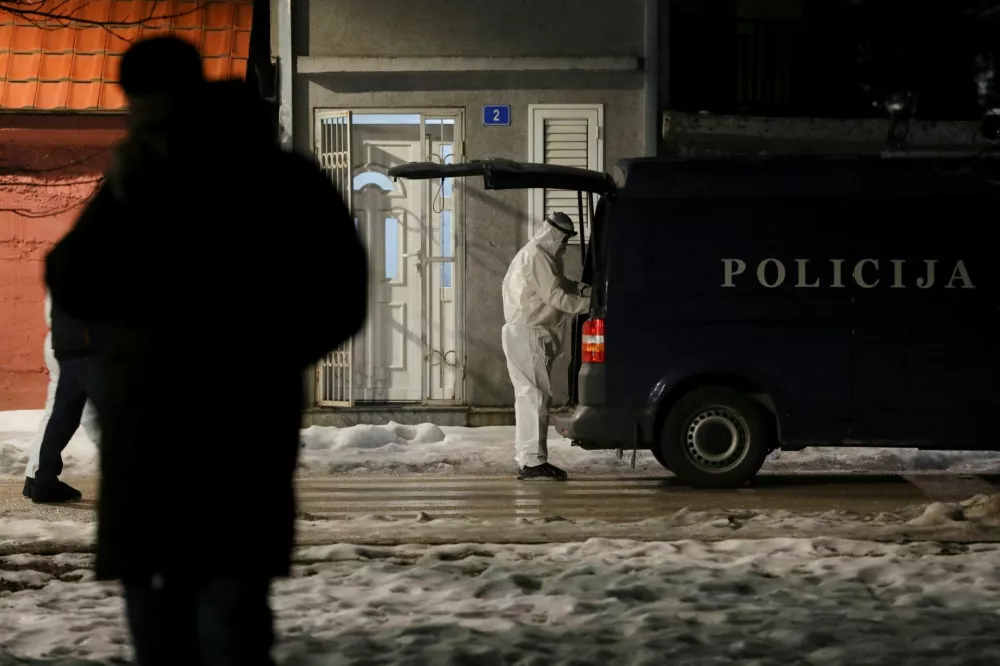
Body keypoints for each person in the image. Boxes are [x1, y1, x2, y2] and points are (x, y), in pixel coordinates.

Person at [45, 36, 367, 666]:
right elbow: (73, 276)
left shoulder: (236, 180)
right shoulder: (256, 177)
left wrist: (252, 359)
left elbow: (72, 276)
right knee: (212, 605)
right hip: (213, 428)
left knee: (205, 611)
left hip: (195, 426)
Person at [501, 211, 591, 481]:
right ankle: (532, 462)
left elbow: (558, 286)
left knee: (529, 397)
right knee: (535, 397)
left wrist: (583, 288)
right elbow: (556, 297)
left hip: (523, 333)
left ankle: (528, 458)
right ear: (555, 236)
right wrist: (591, 305)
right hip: (529, 334)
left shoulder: (536, 255)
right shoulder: (538, 257)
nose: (564, 247)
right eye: (564, 241)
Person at [24, 290, 103, 503]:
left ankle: (38, 477)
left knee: (58, 413)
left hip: (61, 341)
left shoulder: (64, 261)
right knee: (94, 415)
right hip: (87, 346)